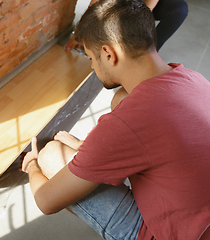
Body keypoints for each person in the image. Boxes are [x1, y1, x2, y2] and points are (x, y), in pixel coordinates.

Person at [21, 0, 210, 239]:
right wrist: (86, 148)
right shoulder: (194, 79)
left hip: (173, 234)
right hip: (198, 213)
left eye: (91, 57)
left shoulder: (128, 122)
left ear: (108, 53)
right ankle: (91, 155)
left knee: (50, 155)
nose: (91, 65)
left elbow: (46, 201)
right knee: (122, 97)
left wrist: (32, 166)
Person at [65, 0, 188, 52]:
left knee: (180, 10)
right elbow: (94, 5)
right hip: (126, 3)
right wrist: (79, 34)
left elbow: (146, 11)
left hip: (149, 4)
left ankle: (149, 52)